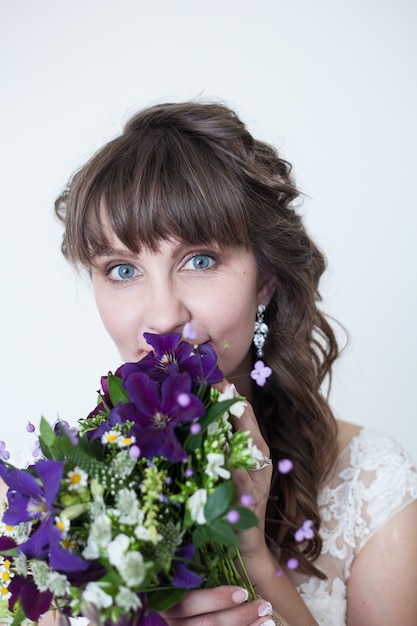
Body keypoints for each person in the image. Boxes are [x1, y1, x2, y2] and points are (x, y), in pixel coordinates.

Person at [50, 101, 417, 625]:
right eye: (122, 269)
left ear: (264, 280)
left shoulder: (372, 490)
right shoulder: (56, 507)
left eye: (199, 260)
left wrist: (255, 564)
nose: (162, 316)